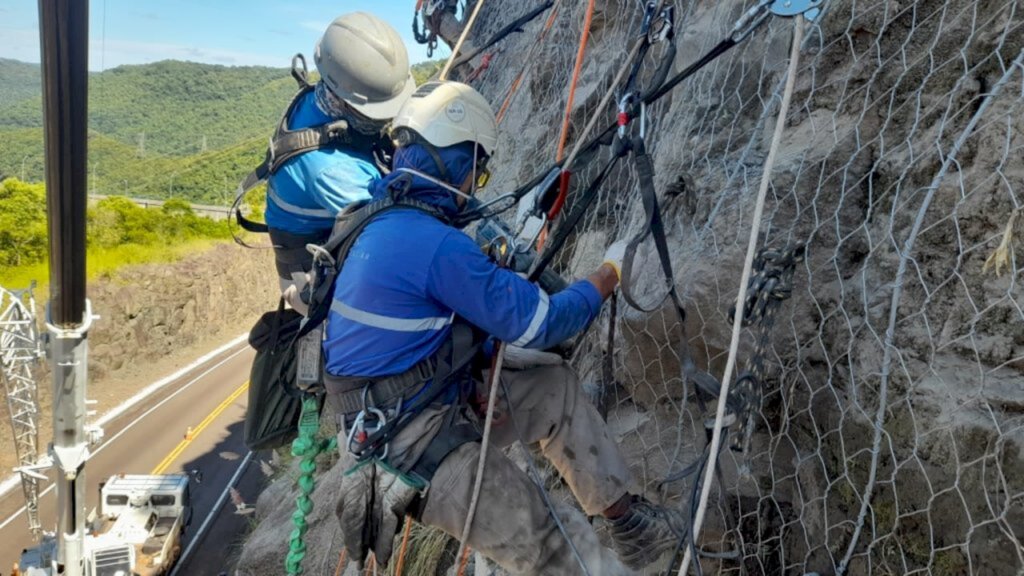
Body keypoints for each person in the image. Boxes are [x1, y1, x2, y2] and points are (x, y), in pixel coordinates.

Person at [324, 81, 684, 575]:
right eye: (477, 170)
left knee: (552, 386)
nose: (475, 186)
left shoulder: (376, 224)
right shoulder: (433, 244)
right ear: (454, 160)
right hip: (412, 445)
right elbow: (544, 322)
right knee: (555, 548)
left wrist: (486, 363)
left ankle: (629, 525)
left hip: (412, 405)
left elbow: (421, 327)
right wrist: (610, 274)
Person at [264, 12, 415, 315]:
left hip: (329, 233)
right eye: (380, 115)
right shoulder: (331, 170)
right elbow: (394, 235)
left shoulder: (322, 100)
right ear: (348, 104)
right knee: (409, 298)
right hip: (311, 278)